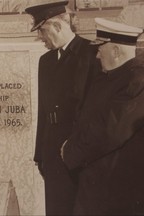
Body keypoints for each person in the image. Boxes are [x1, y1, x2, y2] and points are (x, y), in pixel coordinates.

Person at [61, 18, 144, 215]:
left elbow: (110, 130)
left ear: (115, 51)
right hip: (96, 186)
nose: (97, 55)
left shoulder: (137, 80)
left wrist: (71, 151)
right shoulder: (108, 77)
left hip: (118, 191)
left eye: (100, 49)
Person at [25, 1, 100, 215]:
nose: (40, 37)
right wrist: (40, 155)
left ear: (58, 25)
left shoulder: (91, 54)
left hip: (82, 154)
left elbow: (95, 111)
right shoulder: (46, 61)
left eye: (42, 30)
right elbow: (43, 111)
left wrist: (83, 152)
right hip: (52, 156)